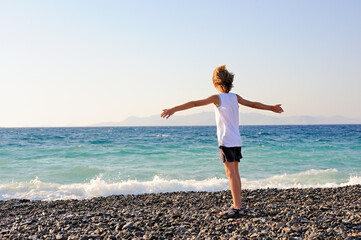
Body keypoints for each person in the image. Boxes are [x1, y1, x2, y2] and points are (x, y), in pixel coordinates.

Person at [160, 65, 284, 218]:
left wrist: (174, 109)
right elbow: (253, 104)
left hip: (226, 140)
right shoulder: (235, 97)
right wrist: (271, 107)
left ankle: (237, 207)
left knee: (230, 174)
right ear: (230, 82)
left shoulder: (217, 98)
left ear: (215, 84)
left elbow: (194, 103)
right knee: (235, 173)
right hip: (236, 140)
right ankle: (238, 204)